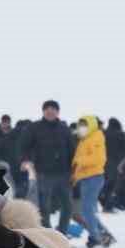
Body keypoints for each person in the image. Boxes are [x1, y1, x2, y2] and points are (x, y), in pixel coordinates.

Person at [21, 100, 74, 234]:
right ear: (43, 111)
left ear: (57, 112)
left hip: (63, 174)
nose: (50, 111)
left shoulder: (64, 129)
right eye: (47, 109)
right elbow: (24, 146)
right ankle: (48, 234)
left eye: (53, 109)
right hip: (43, 173)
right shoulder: (35, 127)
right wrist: (25, 160)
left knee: (67, 207)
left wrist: (73, 170)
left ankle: (62, 233)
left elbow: (72, 150)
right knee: (44, 207)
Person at [70, 115, 113, 248]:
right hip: (85, 178)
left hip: (93, 177)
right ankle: (103, 233)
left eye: (85, 125)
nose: (81, 128)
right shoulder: (84, 140)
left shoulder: (96, 137)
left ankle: (96, 237)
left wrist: (79, 162)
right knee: (86, 210)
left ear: (91, 125)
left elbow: (99, 158)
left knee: (87, 209)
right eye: (80, 125)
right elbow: (78, 161)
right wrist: (75, 177)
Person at [102, 117, 125, 211]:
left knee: (107, 184)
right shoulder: (121, 134)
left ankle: (105, 203)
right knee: (115, 186)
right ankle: (109, 206)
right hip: (118, 163)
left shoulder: (104, 134)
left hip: (105, 163)